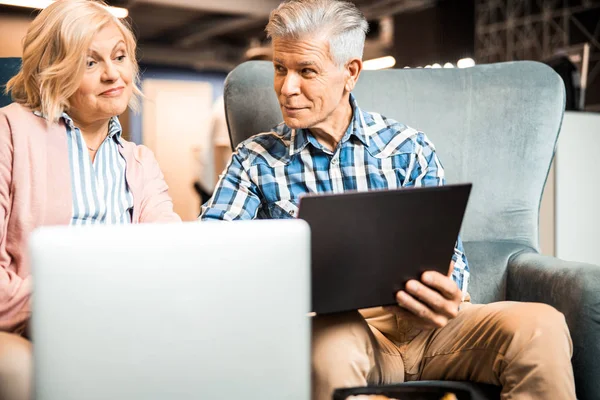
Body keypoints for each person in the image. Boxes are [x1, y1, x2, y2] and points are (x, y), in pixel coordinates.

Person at [199, 0, 576, 399]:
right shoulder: (255, 159)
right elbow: (211, 252)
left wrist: (449, 286)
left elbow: (453, 255)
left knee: (541, 325)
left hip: (433, 327)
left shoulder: (406, 147)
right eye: (280, 69)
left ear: (351, 73)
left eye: (306, 71)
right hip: (338, 327)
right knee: (329, 350)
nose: (286, 87)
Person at [0, 1, 181, 398]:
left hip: (126, 318)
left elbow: (171, 257)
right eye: (89, 63)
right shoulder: (9, 134)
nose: (112, 74)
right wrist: (72, 297)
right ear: (53, 69)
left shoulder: (139, 162)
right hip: (35, 323)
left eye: (119, 57)